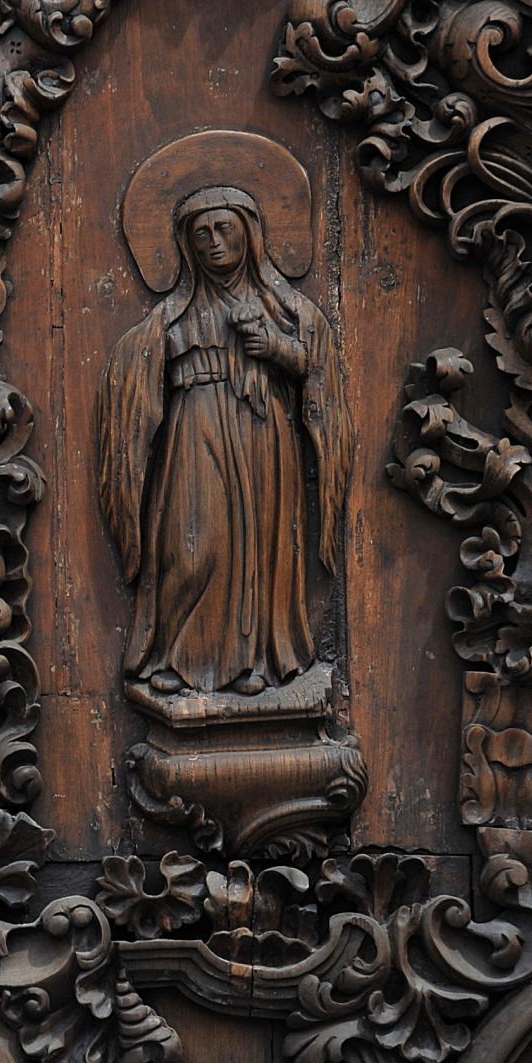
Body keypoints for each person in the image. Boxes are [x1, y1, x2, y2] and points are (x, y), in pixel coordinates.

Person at [97, 183, 351, 699]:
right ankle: (182, 655)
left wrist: (279, 350)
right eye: (201, 234)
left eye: (224, 229)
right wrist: (157, 355)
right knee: (193, 542)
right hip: (194, 432)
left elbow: (319, 368)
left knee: (258, 544)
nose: (214, 242)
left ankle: (256, 660)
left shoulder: (285, 309)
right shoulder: (173, 314)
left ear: (249, 235)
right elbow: (131, 370)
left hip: (263, 435)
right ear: (187, 247)